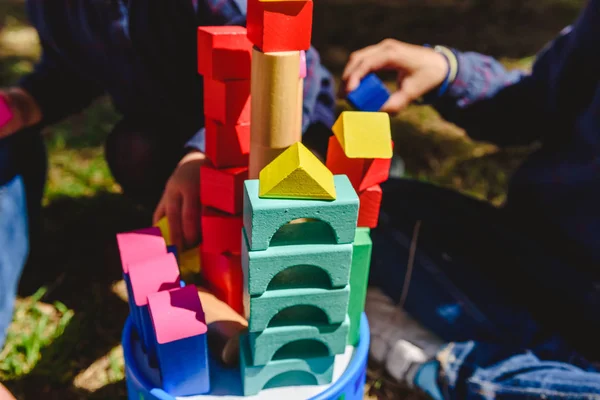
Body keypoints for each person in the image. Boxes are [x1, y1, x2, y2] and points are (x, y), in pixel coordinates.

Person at [0, 1, 336, 394]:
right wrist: (24, 103)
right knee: (133, 150)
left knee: (272, 223)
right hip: (178, 134)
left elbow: (292, 62)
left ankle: (241, 275)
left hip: (276, 133)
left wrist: (203, 152)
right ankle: (201, 256)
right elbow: (70, 70)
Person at [340, 0, 600, 398]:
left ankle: (463, 370)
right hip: (542, 259)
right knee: (375, 209)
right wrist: (448, 72)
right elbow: (537, 100)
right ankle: (549, 373)